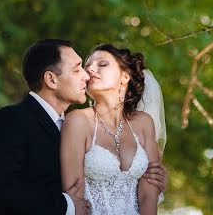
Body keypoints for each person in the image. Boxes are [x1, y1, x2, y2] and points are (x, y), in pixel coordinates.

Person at [0, 39, 167, 215]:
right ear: (51, 80)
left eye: (100, 65)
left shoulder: (65, 122)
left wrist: (153, 180)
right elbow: (2, 190)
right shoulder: (13, 119)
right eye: (79, 69)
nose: (88, 75)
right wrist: (68, 207)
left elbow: (146, 190)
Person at [60, 44, 162, 215]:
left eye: (102, 64)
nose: (90, 70)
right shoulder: (78, 120)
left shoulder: (144, 123)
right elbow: (74, 193)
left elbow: (148, 195)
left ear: (125, 76)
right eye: (87, 67)